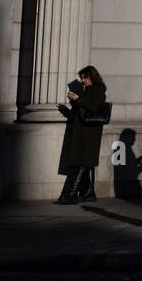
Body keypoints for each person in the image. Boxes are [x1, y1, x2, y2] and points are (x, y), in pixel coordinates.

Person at [56, 65, 107, 205]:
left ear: (92, 77)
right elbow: (80, 109)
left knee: (80, 164)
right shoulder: (87, 90)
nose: (83, 80)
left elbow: (93, 107)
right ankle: (87, 192)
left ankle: (69, 195)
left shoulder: (99, 89)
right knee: (81, 162)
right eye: (82, 78)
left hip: (90, 133)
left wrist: (78, 99)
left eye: (85, 77)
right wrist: (74, 101)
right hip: (82, 131)